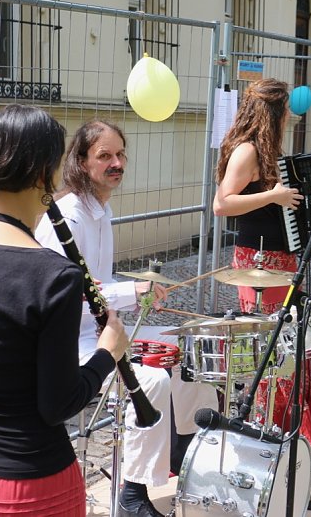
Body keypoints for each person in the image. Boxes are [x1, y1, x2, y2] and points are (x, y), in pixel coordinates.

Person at [0, 104, 129, 516]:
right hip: (30, 483)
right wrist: (108, 352)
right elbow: (59, 404)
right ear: (43, 174)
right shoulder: (54, 277)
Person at [35, 120, 217, 517]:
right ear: (81, 162)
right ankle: (132, 494)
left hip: (99, 328)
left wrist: (138, 295)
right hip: (70, 343)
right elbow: (62, 295)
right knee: (151, 379)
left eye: (120, 154)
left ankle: (183, 451)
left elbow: (97, 283)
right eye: (105, 156)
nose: (117, 163)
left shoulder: (100, 208)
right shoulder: (69, 215)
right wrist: (127, 293)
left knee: (190, 343)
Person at [212, 77, 311, 455]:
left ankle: (296, 425)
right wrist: (273, 195)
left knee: (291, 342)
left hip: (281, 256)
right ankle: (272, 426)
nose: (290, 119)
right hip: (257, 259)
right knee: (271, 344)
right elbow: (222, 204)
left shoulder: (266, 149)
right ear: (271, 113)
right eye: (285, 113)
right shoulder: (246, 151)